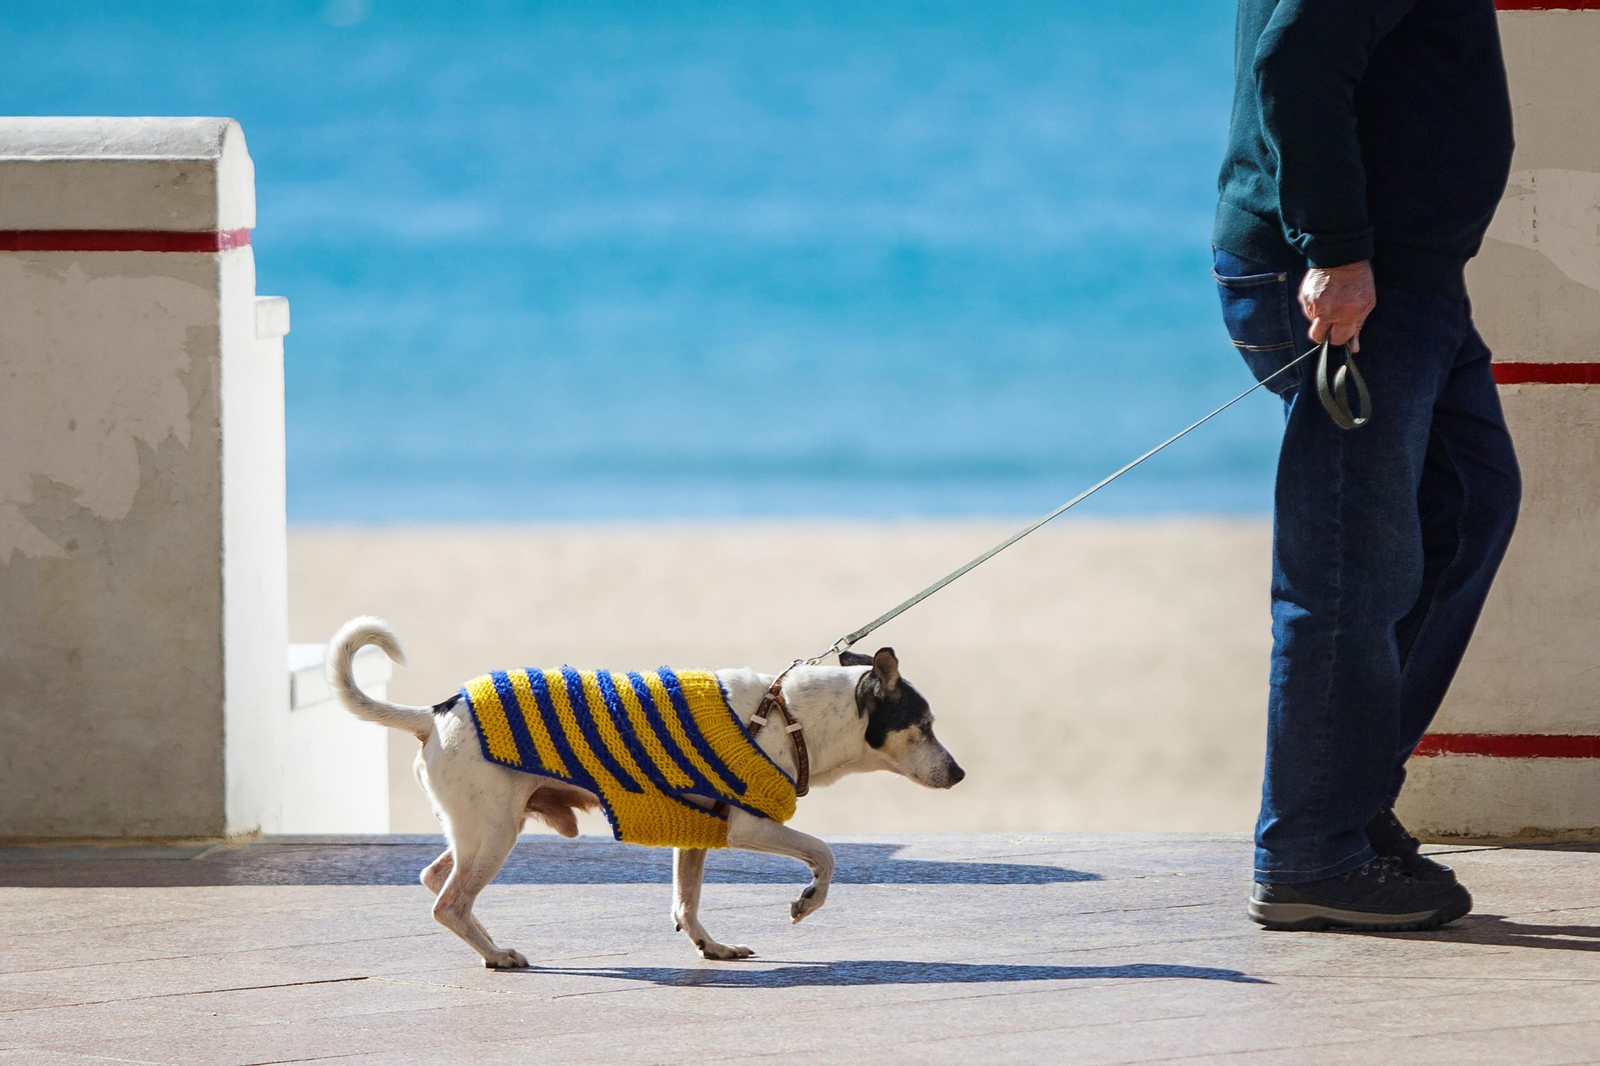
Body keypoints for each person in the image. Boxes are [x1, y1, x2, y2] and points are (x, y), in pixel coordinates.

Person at [1212, 0, 1521, 930]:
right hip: (1356, 278)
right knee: (1352, 569)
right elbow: (1296, 58)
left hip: (1410, 277)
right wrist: (1338, 246)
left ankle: (1340, 800)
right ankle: (1311, 850)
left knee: (1467, 505)